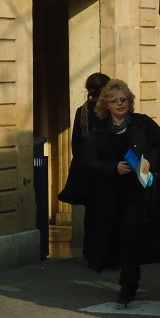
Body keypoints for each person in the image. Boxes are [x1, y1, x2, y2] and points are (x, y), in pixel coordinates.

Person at [80, 79, 160, 306]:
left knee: (130, 236)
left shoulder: (142, 124)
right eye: (114, 101)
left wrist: (149, 161)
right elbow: (88, 160)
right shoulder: (98, 130)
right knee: (119, 239)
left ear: (129, 102)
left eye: (123, 99)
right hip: (111, 196)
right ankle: (129, 281)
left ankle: (127, 285)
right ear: (106, 106)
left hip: (140, 194)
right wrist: (113, 167)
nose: (120, 104)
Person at [58, 73, 109, 232]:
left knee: (91, 214)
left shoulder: (82, 111)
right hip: (107, 170)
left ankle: (90, 249)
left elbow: (76, 143)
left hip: (86, 171)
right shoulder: (109, 110)